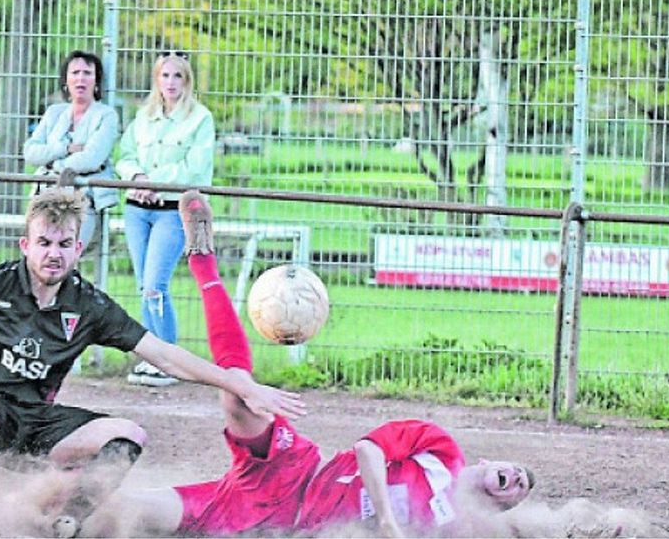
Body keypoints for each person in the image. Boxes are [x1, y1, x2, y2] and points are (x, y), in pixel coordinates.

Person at [81, 191, 535, 538]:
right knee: (239, 394)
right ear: (489, 460)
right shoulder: (441, 450)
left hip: (272, 521)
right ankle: (204, 263)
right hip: (297, 468)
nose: (516, 478)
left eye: (519, 488)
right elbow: (368, 450)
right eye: (518, 470)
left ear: (501, 504)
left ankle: (43, 505)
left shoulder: (452, 526)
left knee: (118, 514)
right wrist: (389, 523)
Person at [0, 186, 305, 536]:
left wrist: (241, 385)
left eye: (62, 244)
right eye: (43, 243)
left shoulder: (88, 305)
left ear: (77, 248)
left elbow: (164, 355)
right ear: (26, 245)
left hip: (33, 426)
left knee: (128, 436)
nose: (52, 254)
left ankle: (64, 521)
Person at [115, 51, 215, 387]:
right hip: (137, 207)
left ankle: (170, 360)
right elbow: (125, 156)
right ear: (156, 80)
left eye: (178, 77)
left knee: (156, 285)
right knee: (144, 286)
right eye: (164, 76)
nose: (170, 83)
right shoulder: (143, 118)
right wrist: (139, 178)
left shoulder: (200, 119)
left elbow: (196, 168)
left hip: (171, 209)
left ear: (187, 81)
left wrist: (157, 183)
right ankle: (152, 359)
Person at [23, 50, 118, 251]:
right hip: (47, 194)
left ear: (97, 81)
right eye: (75, 72)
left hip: (84, 196)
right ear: (65, 80)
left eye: (87, 73)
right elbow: (30, 152)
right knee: (40, 256)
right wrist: (65, 148)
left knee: (68, 254)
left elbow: (92, 159)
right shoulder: (53, 113)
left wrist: (52, 162)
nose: (80, 78)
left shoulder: (106, 116)